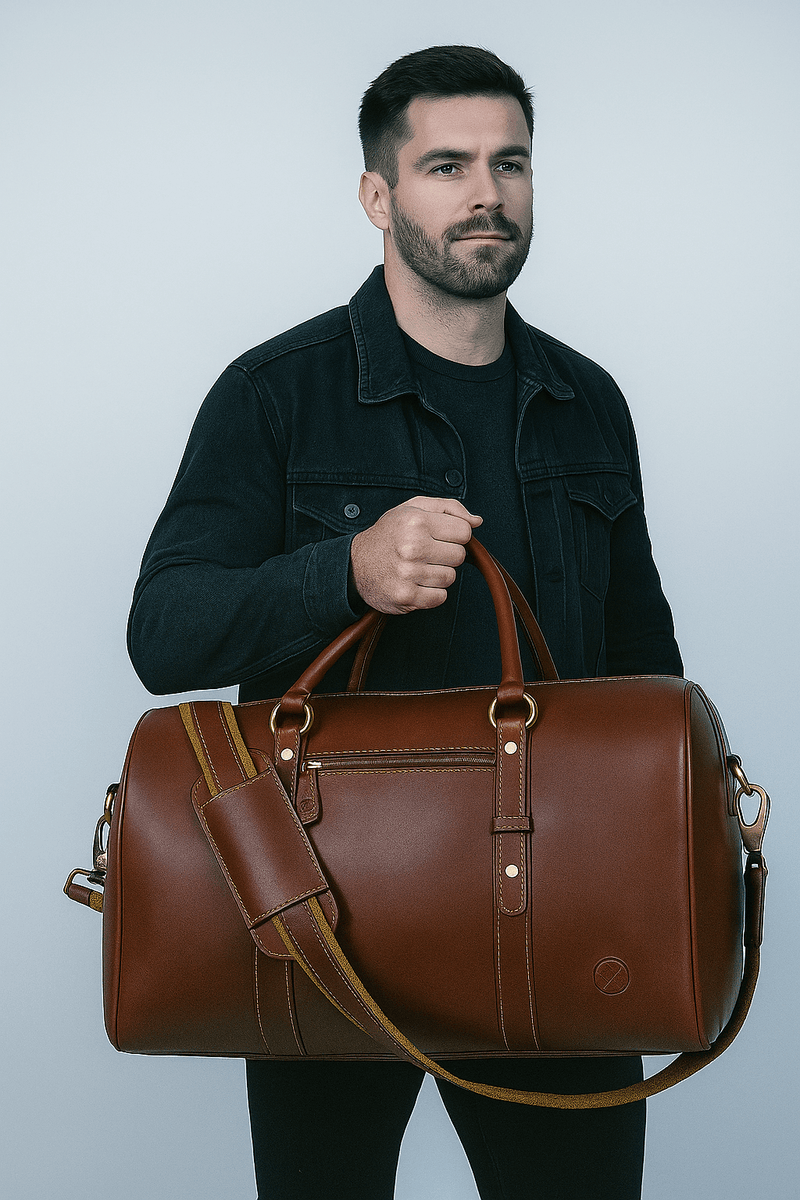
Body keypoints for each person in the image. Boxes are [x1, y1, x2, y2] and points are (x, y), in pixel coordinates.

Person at [129, 44, 682, 1200]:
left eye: (508, 163)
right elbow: (165, 633)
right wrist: (346, 570)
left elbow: (642, 668)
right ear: (377, 196)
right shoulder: (274, 393)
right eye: (446, 166)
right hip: (323, 918)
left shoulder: (586, 400)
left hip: (557, 907)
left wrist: (674, 859)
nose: (486, 193)